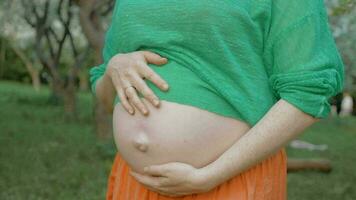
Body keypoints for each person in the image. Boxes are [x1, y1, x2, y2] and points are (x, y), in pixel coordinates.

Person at [89, 0, 344, 199]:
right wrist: (115, 67)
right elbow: (105, 96)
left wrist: (209, 176)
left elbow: (308, 92)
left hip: (228, 181)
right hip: (137, 182)